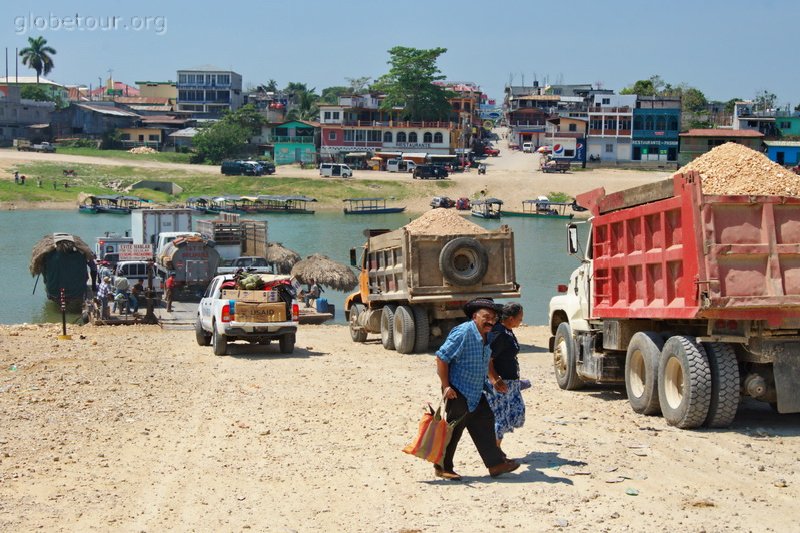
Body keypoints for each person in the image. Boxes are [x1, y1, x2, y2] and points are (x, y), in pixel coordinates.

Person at [434, 298, 521, 481]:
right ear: (475, 316)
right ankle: (442, 467)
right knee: (454, 429)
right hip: (458, 390)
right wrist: (446, 386)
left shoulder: (488, 336)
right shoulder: (463, 332)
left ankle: (495, 465)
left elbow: (486, 360)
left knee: (485, 423)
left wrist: (493, 379)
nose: (490, 320)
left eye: (494, 317)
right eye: (486, 316)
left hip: (476, 391)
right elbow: (442, 358)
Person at [485, 303, 527, 456]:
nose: (521, 321)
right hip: (501, 383)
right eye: (520, 319)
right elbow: (487, 358)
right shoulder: (499, 334)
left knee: (517, 412)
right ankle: (495, 453)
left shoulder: (507, 331)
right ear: (510, 318)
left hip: (511, 383)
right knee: (500, 417)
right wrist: (494, 379)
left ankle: (495, 449)